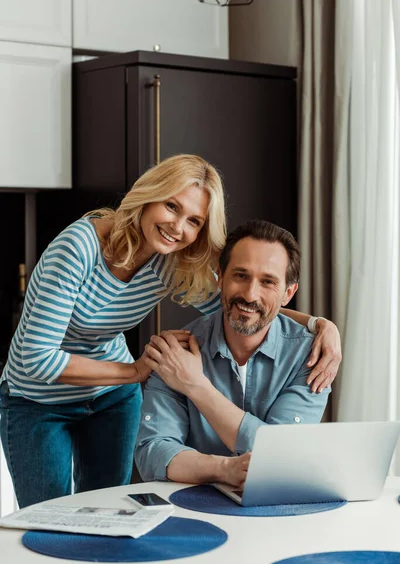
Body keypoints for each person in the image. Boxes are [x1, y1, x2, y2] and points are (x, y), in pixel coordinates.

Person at [0, 154, 339, 507]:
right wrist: (134, 371)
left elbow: (243, 305)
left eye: (194, 220)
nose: (178, 227)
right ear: (149, 195)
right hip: (38, 400)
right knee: (47, 519)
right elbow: (37, 359)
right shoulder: (79, 249)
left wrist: (320, 325)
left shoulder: (170, 261)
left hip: (111, 399)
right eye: (172, 206)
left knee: (101, 513)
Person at [135, 219, 331, 487]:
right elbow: (153, 453)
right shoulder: (175, 352)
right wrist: (223, 469)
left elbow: (284, 457)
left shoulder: (311, 355)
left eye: (268, 282)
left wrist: (196, 386)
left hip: (278, 511)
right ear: (220, 278)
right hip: (190, 506)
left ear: (288, 293)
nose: (250, 295)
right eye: (240, 275)